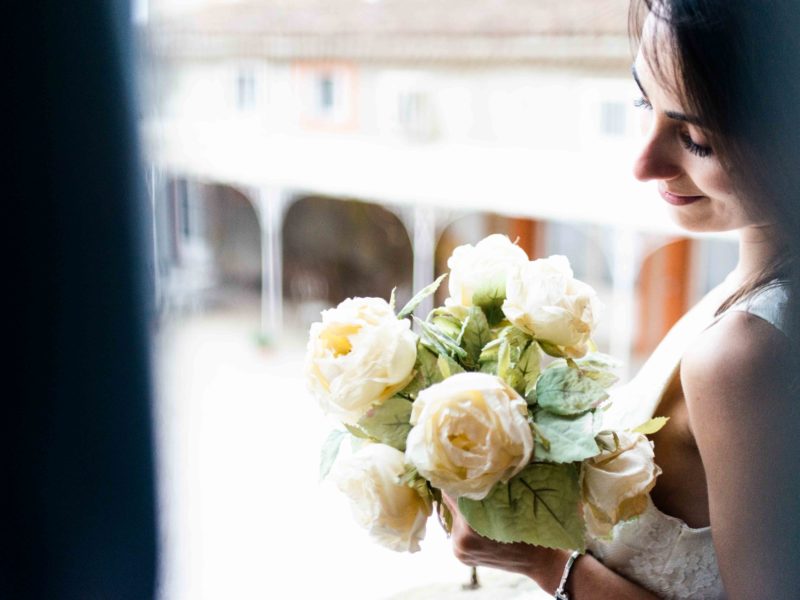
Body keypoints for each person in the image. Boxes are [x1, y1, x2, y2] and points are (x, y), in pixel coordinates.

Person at [443, 1, 800, 598]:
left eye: (695, 139)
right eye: (642, 101)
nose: (643, 163)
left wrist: (547, 565)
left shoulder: (746, 355)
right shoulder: (758, 290)